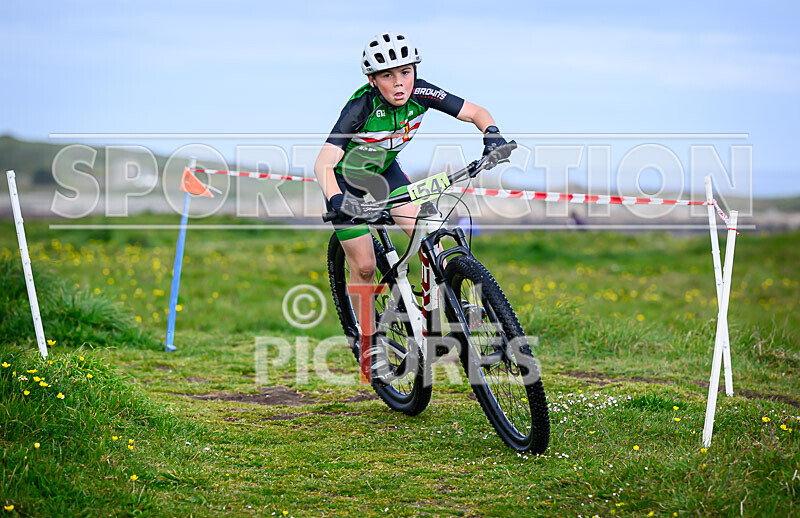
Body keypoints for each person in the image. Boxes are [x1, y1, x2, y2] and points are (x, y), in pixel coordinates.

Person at [313, 31, 511, 378]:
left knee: (430, 233)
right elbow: (323, 164)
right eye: (388, 75)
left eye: (405, 72)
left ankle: (442, 308)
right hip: (348, 183)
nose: (399, 83)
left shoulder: (422, 92)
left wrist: (491, 133)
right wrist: (337, 200)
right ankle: (369, 343)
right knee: (363, 266)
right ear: (373, 81)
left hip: (386, 174)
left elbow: (476, 111)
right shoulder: (360, 107)